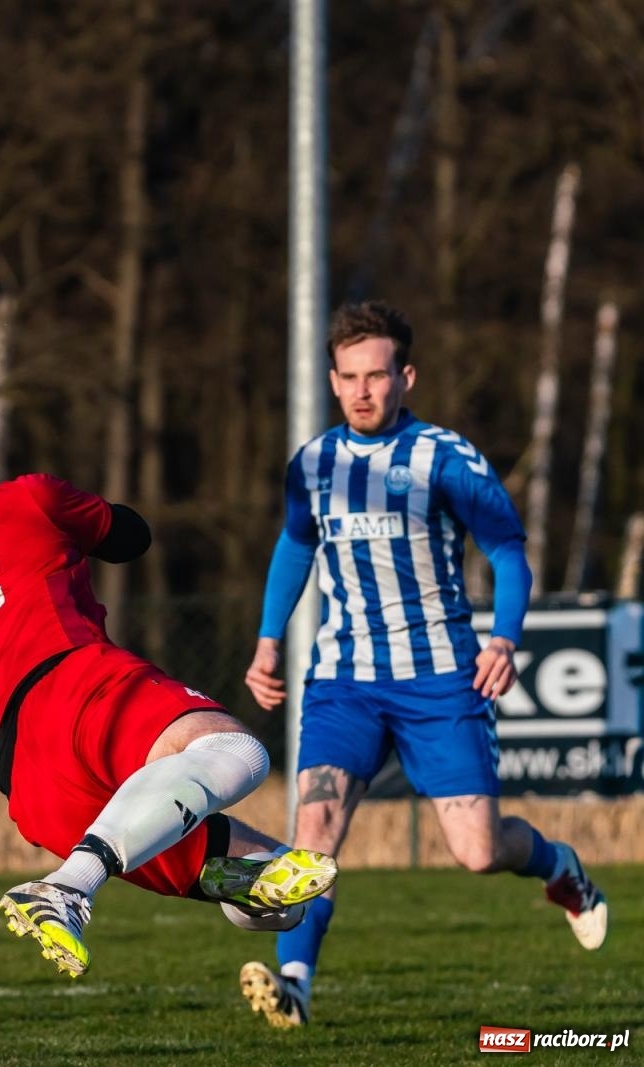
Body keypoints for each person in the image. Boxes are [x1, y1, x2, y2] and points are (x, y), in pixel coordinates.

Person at [238, 301, 608, 1028]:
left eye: (376, 375)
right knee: (316, 828)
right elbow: (296, 544)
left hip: (440, 679)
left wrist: (503, 639)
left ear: (405, 377)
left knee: (477, 850)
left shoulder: (446, 458)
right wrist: (268, 637)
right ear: (332, 380)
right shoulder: (313, 463)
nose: (362, 391)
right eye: (348, 377)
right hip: (344, 679)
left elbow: (507, 551)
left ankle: (562, 868)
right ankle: (295, 983)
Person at [0, 414, 337, 980]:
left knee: (282, 895)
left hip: (23, 783)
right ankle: (68, 887)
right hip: (70, 687)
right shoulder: (25, 497)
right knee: (237, 752)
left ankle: (132, 876)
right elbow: (130, 537)